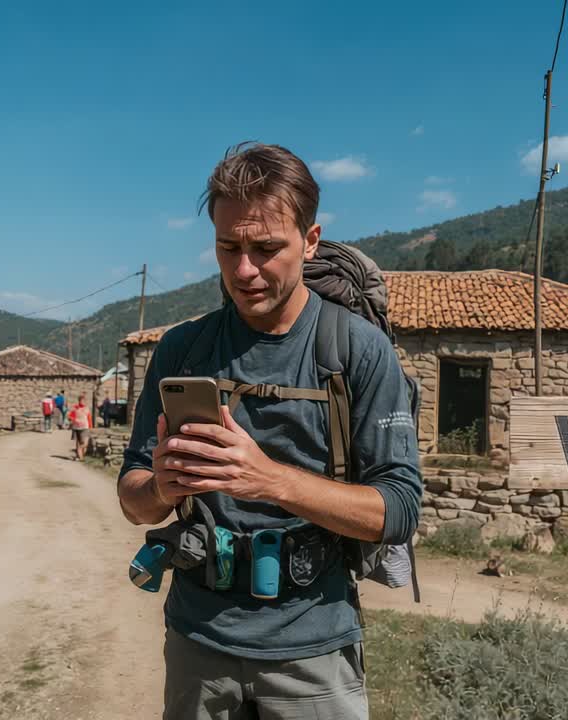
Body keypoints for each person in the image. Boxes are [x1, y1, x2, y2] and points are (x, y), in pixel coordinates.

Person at [118, 142, 421, 719]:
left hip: (314, 647)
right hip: (197, 642)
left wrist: (268, 480)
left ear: (310, 241)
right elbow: (134, 503)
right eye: (227, 247)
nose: (244, 270)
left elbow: (400, 508)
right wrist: (159, 488)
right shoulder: (183, 350)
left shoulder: (358, 350)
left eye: (266, 248)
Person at [68, 396, 92, 461]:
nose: (83, 402)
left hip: (85, 427)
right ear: (79, 401)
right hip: (76, 427)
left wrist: (90, 427)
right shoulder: (75, 408)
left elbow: (89, 418)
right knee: (78, 442)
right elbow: (69, 416)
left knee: (85, 443)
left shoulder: (87, 408)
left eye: (84, 401)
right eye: (81, 401)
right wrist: (74, 419)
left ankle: (80, 452)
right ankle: (80, 457)